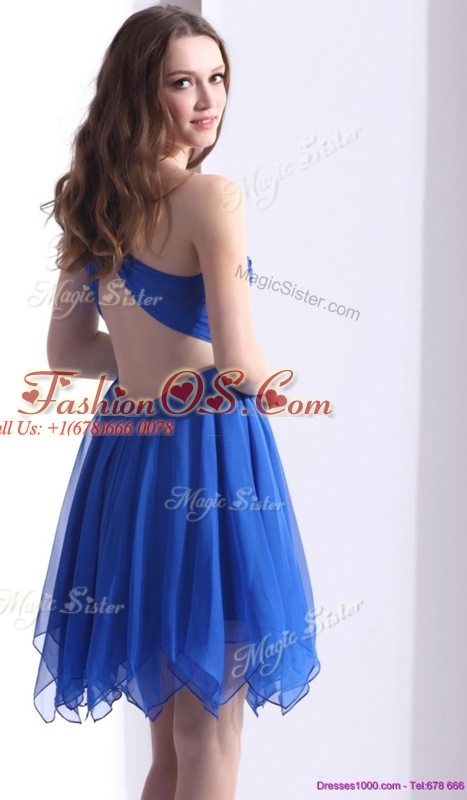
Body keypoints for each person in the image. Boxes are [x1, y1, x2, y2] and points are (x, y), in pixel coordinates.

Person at [32, 6, 321, 800]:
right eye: (182, 82)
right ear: (140, 92)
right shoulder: (210, 198)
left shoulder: (93, 200)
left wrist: (145, 366)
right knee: (212, 736)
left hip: (128, 458)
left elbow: (68, 353)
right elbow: (239, 362)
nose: (208, 99)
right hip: (209, 457)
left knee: (172, 740)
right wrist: (293, 388)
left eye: (217, 78)